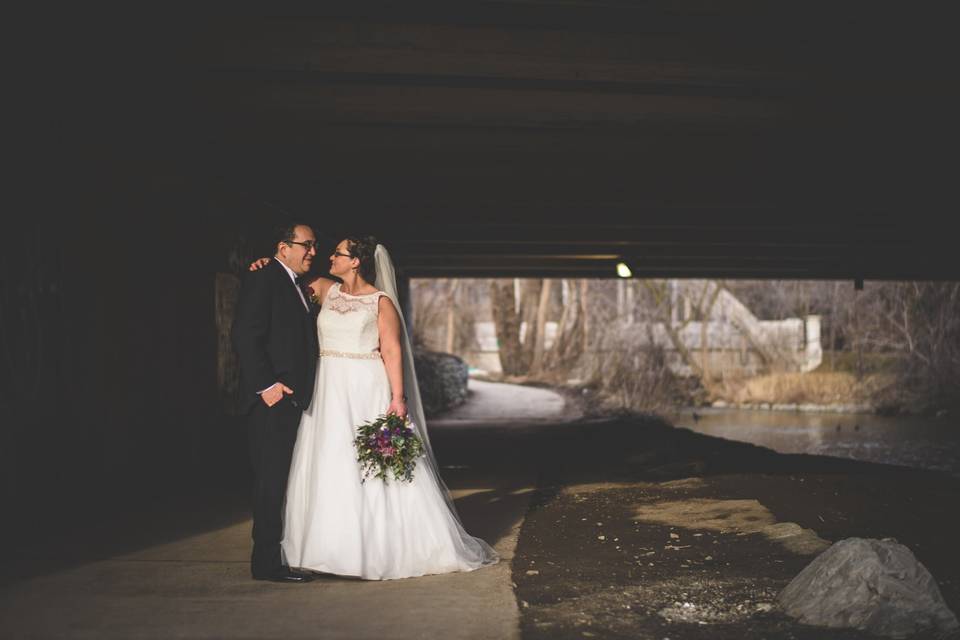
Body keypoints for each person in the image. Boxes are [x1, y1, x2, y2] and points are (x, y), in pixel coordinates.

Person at [250, 235, 498, 579]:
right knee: (327, 461)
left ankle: (378, 548)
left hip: (366, 386)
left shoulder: (381, 303)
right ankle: (323, 551)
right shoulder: (322, 288)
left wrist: (398, 399)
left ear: (355, 262)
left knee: (369, 466)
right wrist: (264, 264)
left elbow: (392, 351)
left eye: (338, 253)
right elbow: (284, 280)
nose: (328, 257)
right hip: (327, 388)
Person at [231, 222, 320, 583]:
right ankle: (266, 564)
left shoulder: (296, 284)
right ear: (283, 247)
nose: (312, 252)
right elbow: (244, 333)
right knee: (270, 483)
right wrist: (266, 386)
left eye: (315, 246)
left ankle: (281, 555)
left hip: (294, 401)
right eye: (306, 245)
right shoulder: (265, 277)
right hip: (272, 402)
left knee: (284, 481)